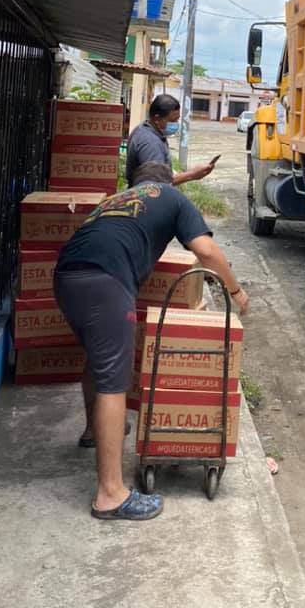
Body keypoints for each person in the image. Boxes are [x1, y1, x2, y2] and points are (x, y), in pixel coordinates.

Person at [53, 161, 249, 522]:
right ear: (169, 182)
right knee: (114, 382)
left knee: (97, 359)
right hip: (105, 280)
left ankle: (93, 430)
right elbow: (205, 250)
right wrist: (235, 291)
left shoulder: (117, 200)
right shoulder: (173, 198)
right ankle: (110, 494)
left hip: (67, 275)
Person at [125, 94, 214, 188]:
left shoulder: (144, 129)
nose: (175, 124)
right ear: (157, 119)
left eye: (177, 120)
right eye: (172, 121)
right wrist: (192, 175)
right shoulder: (151, 143)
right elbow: (157, 185)